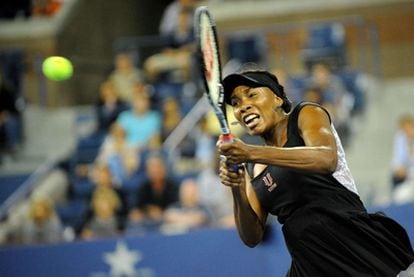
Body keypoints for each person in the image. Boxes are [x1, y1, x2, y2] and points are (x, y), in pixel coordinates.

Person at [217, 64, 414, 276]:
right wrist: (238, 187)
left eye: (252, 95)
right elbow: (252, 236)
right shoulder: (251, 165)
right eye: (236, 103)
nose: (243, 106)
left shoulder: (306, 113)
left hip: (352, 245)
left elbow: (325, 158)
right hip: (309, 263)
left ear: (277, 99)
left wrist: (251, 152)